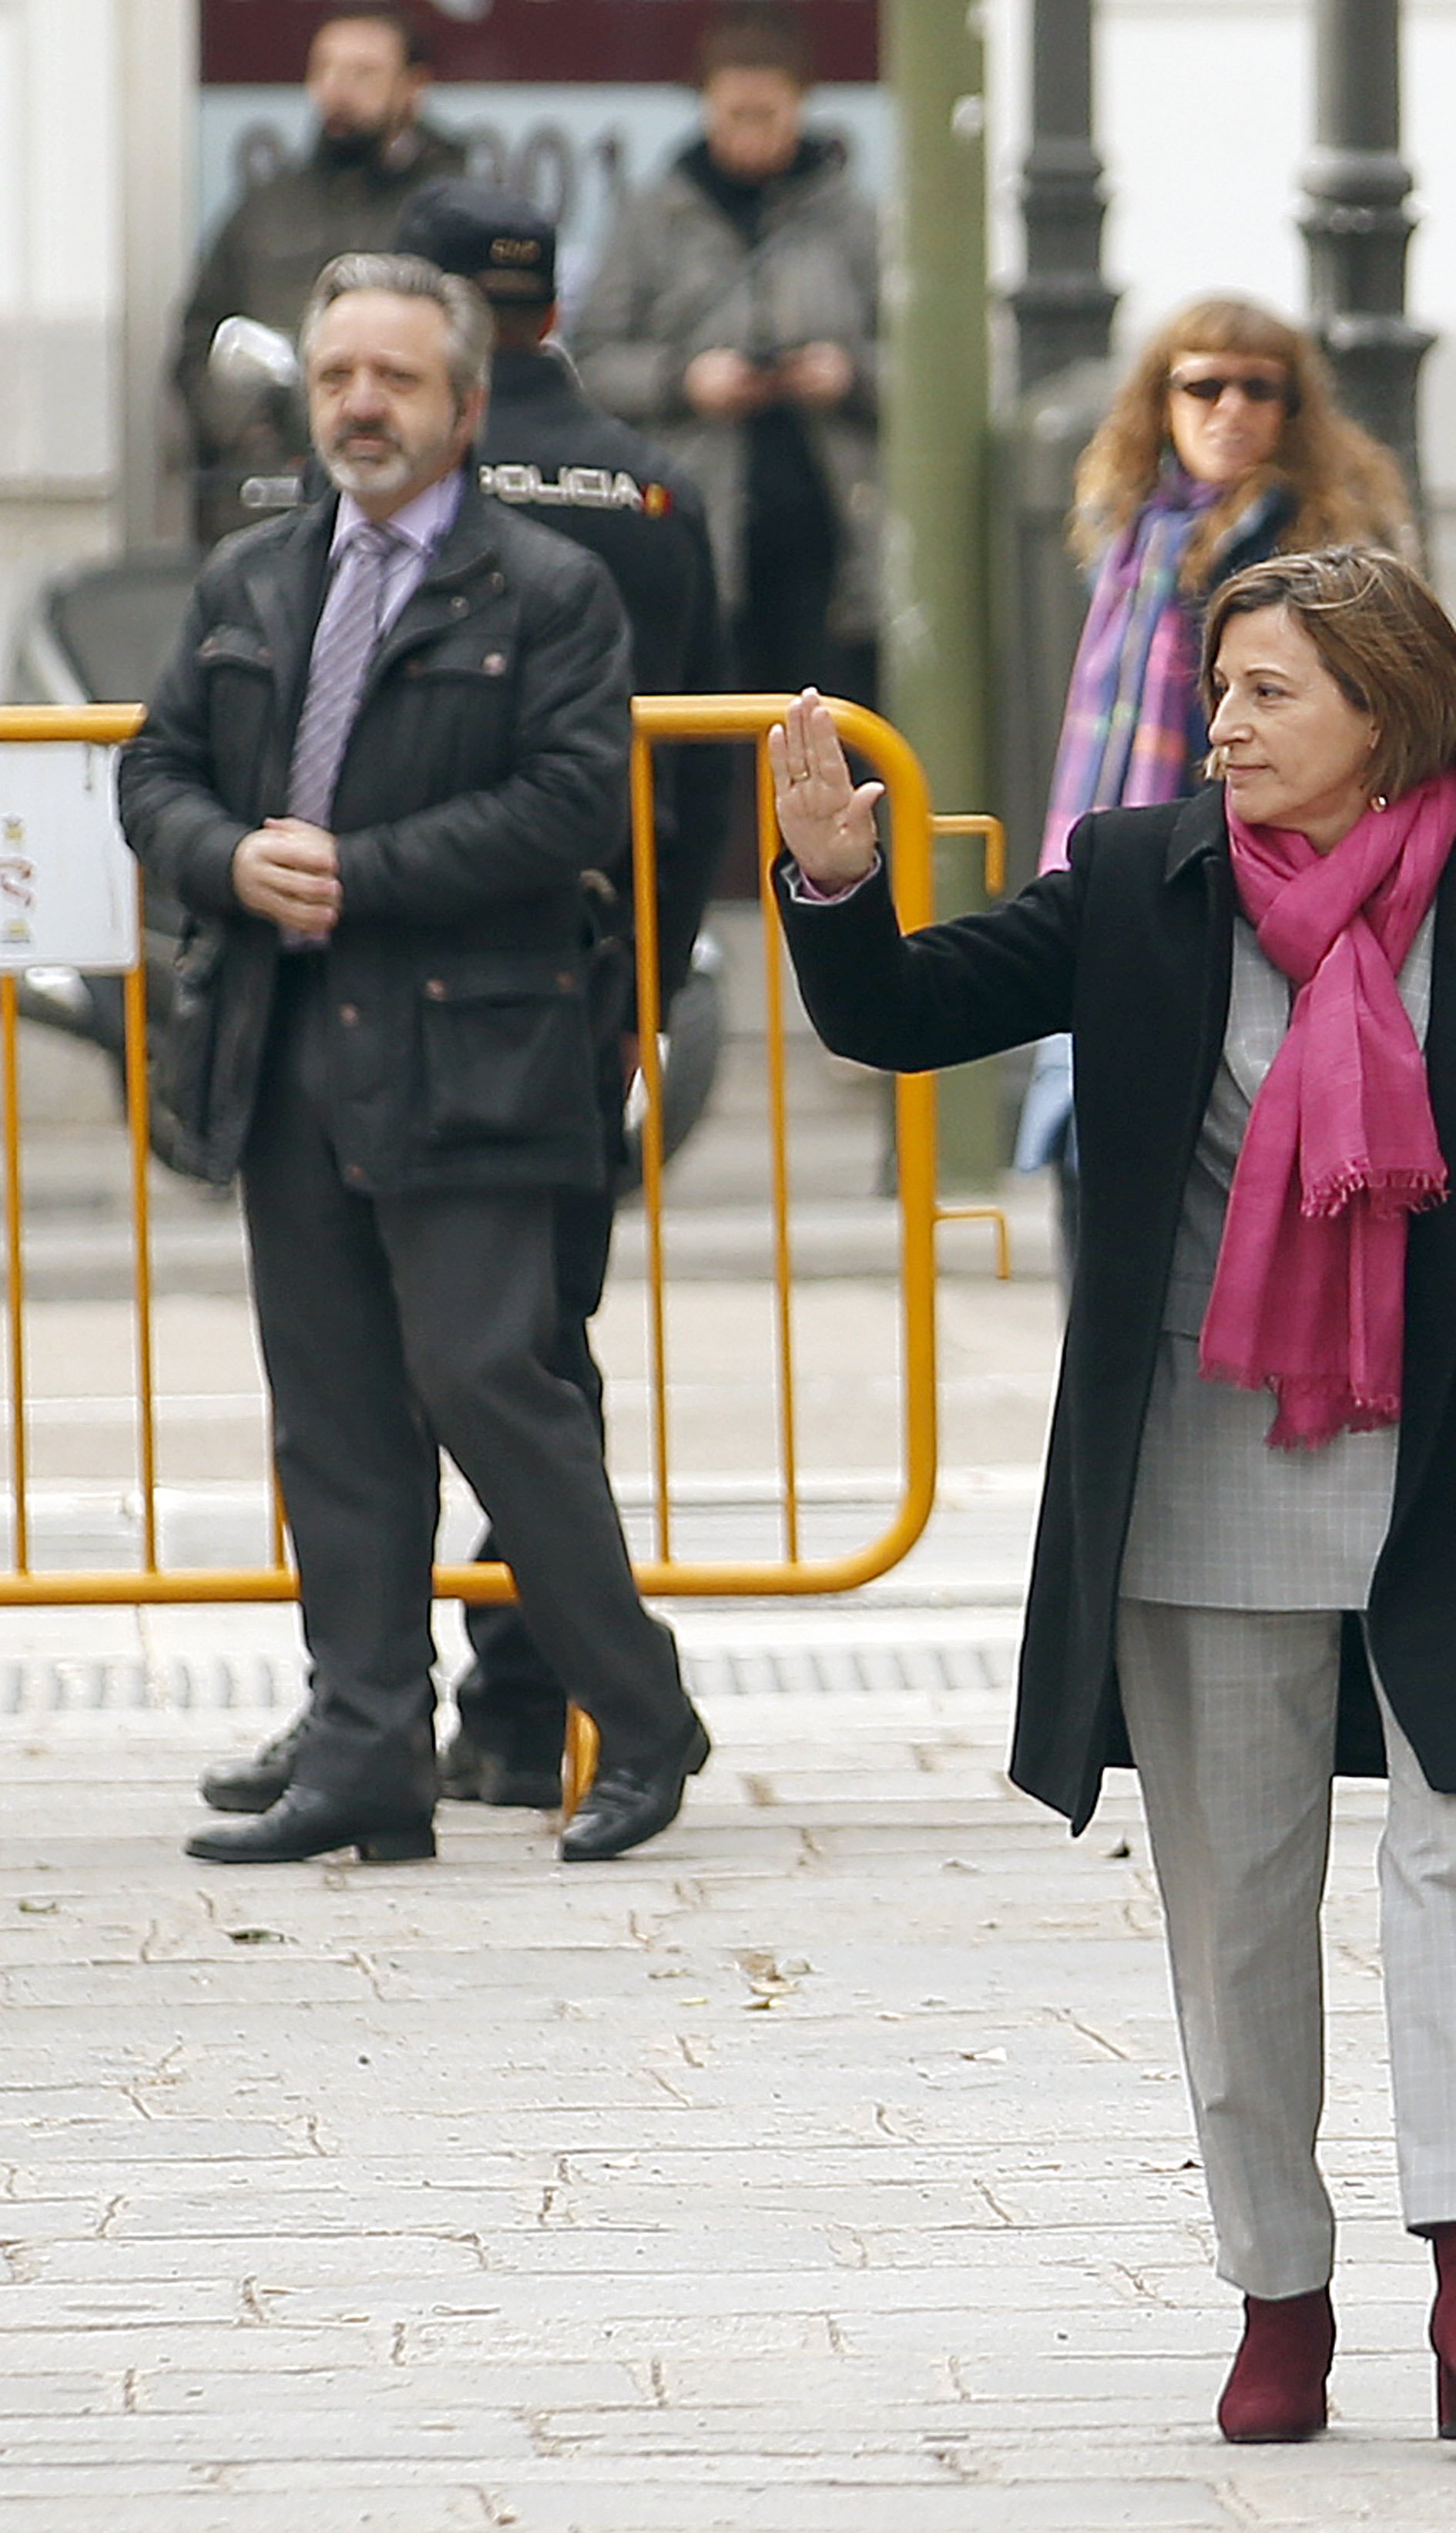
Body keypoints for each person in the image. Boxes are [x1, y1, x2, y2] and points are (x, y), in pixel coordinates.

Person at [765, 548, 1456, 2445]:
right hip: (1204, 1459)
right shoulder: (1140, 878)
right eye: (1218, 688)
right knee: (1235, 1900)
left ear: (1383, 708)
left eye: (1267, 691)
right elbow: (897, 1014)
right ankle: (1277, 2295)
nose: (1221, 724)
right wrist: (834, 883)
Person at [119, 252, 714, 1870]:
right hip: (284, 1041)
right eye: (334, 380)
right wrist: (229, 857)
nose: (359, 406)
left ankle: (644, 1715)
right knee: (334, 1415)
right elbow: (154, 768)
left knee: (486, 1382)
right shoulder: (249, 576)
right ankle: (368, 1749)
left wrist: (355, 869)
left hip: (476, 1050)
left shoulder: (547, 586)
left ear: (462, 403)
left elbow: (575, 803)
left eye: (392, 378)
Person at [407, 180, 735, 1812]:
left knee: (397, 1340)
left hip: (403, 960)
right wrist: (655, 990)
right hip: (587, 967)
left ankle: (383, 1694)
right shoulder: (656, 489)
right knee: (543, 1340)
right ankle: (529, 1697)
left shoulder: (399, 481)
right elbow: (688, 789)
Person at [1012, 297, 1410, 1265]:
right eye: (1202, 385)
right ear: (1161, 400)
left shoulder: (1311, 553)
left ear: (1291, 410)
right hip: (1119, 875)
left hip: (1250, 895)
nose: (1229, 409)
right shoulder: (1133, 541)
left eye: (1258, 389)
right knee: (1098, 1170)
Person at [570, 2, 882, 703]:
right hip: (698, 525)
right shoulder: (653, 218)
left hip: (829, 536)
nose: (749, 133)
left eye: (767, 114)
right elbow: (589, 361)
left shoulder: (851, 218)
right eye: (732, 113)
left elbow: (923, 370)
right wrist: (684, 383)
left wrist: (848, 376)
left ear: (802, 107)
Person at [174, 2, 465, 546]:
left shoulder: (452, 207)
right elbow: (196, 344)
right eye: (325, 70)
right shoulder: (264, 208)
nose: (337, 89)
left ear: (414, 87)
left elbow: (479, 352)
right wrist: (249, 430)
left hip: (414, 499)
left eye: (363, 73)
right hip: (266, 500)